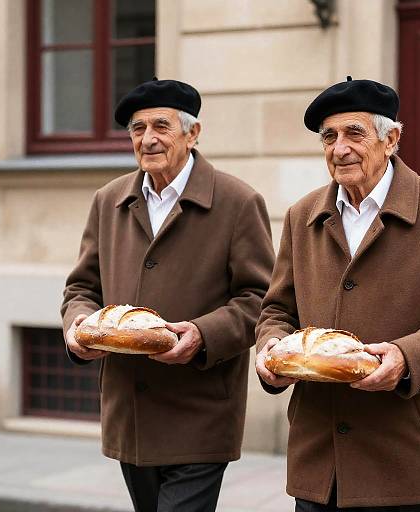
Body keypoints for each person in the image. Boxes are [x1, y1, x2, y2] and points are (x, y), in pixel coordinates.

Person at [255, 76, 420, 512]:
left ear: (392, 139)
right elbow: (276, 308)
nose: (339, 148)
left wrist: (406, 358)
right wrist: (270, 346)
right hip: (319, 460)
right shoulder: (301, 215)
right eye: (329, 136)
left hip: (403, 457)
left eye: (354, 133)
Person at [61, 77, 275, 512]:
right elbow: (81, 287)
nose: (148, 139)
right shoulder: (109, 200)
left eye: (161, 126)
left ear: (192, 133)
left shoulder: (237, 202)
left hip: (200, 410)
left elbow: (260, 300)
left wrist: (201, 334)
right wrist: (77, 325)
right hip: (130, 410)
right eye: (138, 129)